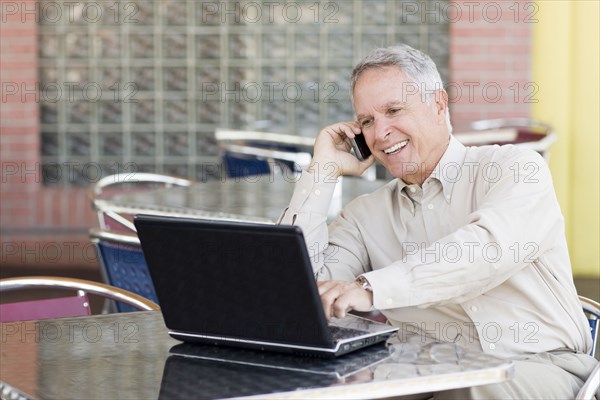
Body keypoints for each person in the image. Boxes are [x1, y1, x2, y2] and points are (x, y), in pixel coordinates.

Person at [278, 44, 597, 399]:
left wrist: (370, 289)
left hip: (538, 367)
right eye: (367, 121)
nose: (380, 132)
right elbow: (297, 297)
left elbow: (483, 252)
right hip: (426, 373)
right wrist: (322, 172)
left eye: (394, 110)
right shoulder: (365, 215)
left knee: (472, 388)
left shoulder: (515, 168)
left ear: (439, 104)